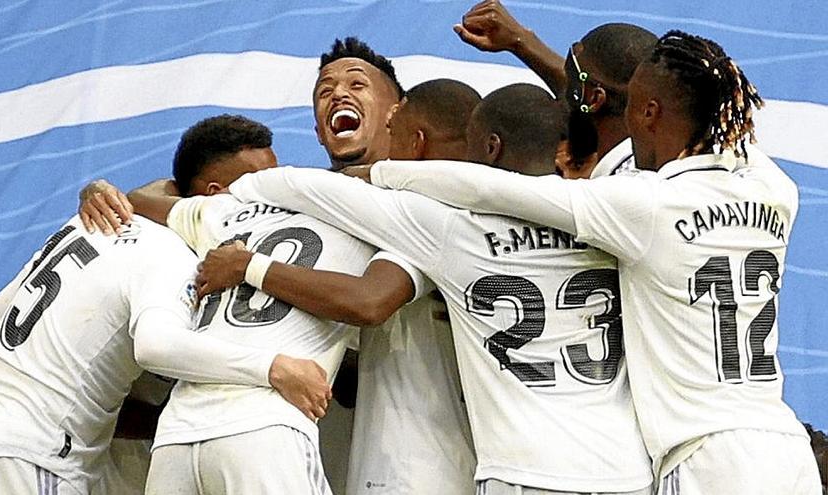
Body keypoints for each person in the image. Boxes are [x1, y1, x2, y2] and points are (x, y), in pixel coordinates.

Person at [352, 31, 822, 493]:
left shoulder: (642, 203)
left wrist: (379, 173)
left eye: (634, 107)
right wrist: (528, 47)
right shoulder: (776, 189)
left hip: (705, 456)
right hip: (783, 444)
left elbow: (491, 189)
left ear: (650, 112)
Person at [221, 83, 653, 494]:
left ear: (489, 148)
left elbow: (308, 189)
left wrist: (236, 204)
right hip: (626, 468)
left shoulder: (448, 227)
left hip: (525, 467)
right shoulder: (608, 216)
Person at [0, 116, 327, 494]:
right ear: (218, 195)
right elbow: (155, 346)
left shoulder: (86, 223)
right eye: (262, 187)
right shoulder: (173, 253)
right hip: (28, 459)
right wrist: (273, 368)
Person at [195, 78, 482, 494]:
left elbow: (369, 302)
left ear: (399, 123)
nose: (338, 95)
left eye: (358, 83)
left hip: (417, 466)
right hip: (363, 457)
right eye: (324, 90)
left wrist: (250, 267)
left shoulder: (418, 218)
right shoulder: (326, 216)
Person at [82, 114, 377, 494]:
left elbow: (139, 200)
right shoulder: (358, 214)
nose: (268, 185)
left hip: (176, 437)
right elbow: (371, 303)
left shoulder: (210, 216)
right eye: (258, 177)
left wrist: (99, 189)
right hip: (264, 425)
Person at [454, 1, 657, 179]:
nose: (566, 74)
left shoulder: (609, 193)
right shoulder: (668, 155)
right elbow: (585, 98)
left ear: (595, 99)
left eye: (573, 71)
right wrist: (520, 41)